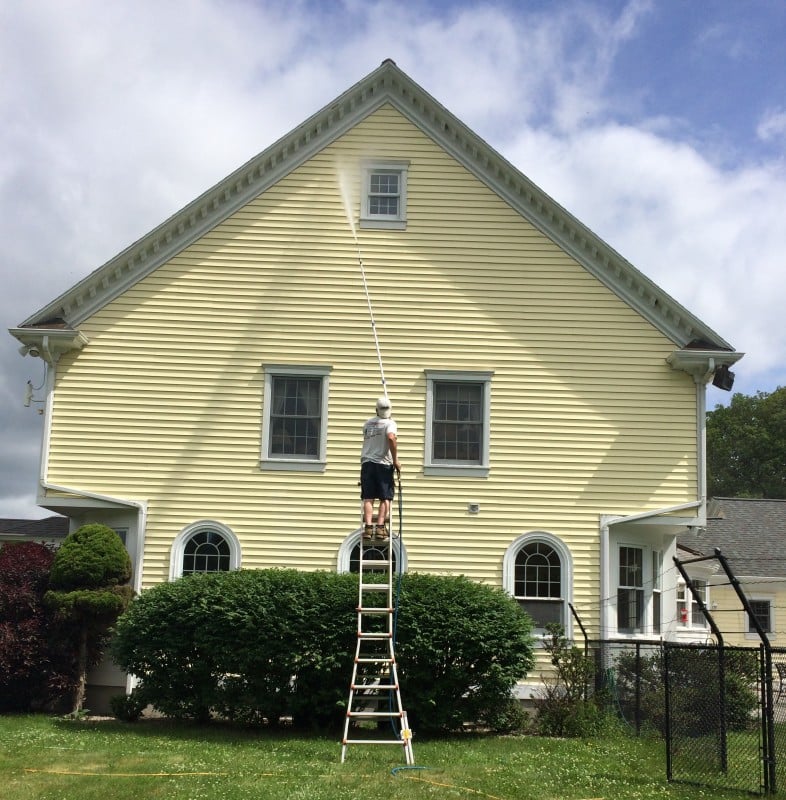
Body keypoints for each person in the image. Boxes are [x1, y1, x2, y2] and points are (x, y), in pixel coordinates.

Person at [360, 395, 401, 541]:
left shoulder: (367, 423)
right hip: (383, 464)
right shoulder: (391, 424)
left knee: (368, 498)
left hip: (367, 464)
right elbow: (390, 438)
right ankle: (381, 528)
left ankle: (368, 528)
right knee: (385, 497)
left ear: (376, 409)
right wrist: (395, 460)